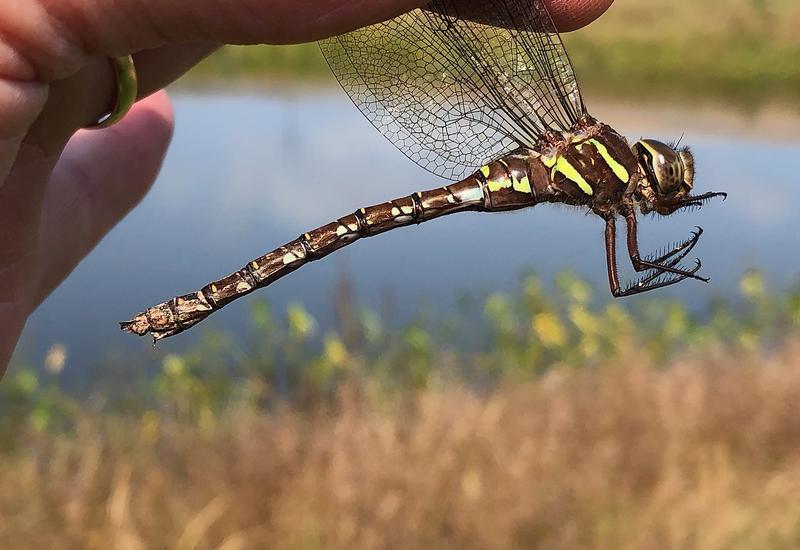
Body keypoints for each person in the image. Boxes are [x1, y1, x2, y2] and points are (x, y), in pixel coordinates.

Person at [0, 0, 613, 376]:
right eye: (666, 171)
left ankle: (185, 310)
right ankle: (188, 309)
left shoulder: (597, 165)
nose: (666, 180)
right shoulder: (600, 171)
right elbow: (625, 271)